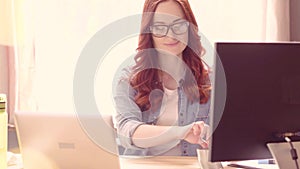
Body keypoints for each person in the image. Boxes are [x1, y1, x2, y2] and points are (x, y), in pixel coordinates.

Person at [113, 0, 212, 156]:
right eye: (160, 27)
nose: (170, 35)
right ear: (149, 32)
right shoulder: (129, 80)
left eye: (178, 25)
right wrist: (179, 132)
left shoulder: (211, 82)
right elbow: (127, 132)